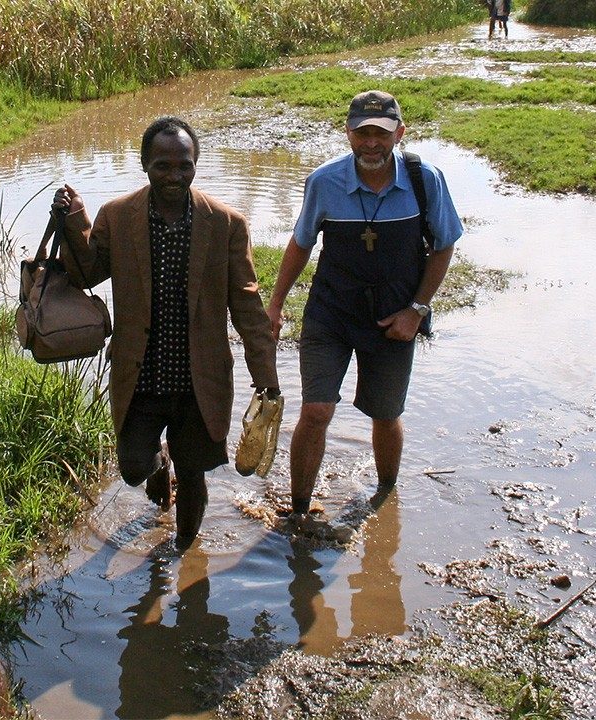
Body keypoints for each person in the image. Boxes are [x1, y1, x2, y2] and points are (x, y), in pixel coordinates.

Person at [53, 116, 279, 549]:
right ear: (145, 165)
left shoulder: (225, 223)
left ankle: (184, 555)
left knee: (193, 473)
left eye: (184, 166)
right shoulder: (118, 216)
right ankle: (160, 465)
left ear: (196, 165)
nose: (174, 176)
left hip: (200, 378)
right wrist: (74, 220)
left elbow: (248, 306)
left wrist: (265, 377)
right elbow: (86, 274)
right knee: (133, 466)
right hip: (141, 374)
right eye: (163, 166)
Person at [266, 91, 463, 519]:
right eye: (362, 133)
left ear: (400, 133)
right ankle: (298, 512)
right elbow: (301, 244)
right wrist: (276, 303)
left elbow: (444, 246)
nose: (371, 143)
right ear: (348, 133)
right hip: (331, 312)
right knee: (316, 410)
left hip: (393, 317)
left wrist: (417, 310)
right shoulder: (324, 182)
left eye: (381, 133)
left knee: (385, 413)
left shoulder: (424, 180)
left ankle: (385, 500)